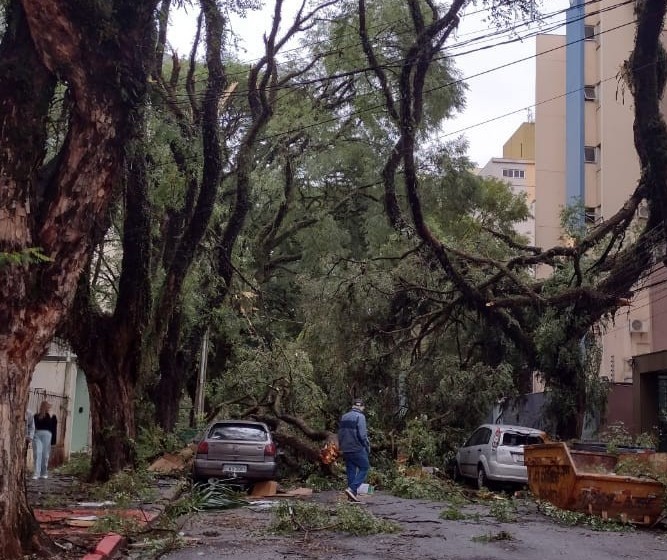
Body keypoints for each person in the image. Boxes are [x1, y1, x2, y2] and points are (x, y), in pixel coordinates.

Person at [337, 398, 370, 503]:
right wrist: (366, 446)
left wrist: (341, 446)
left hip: (345, 448)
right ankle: (352, 488)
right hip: (357, 448)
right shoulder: (360, 417)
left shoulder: (344, 417)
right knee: (364, 467)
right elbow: (362, 435)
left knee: (351, 470)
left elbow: (340, 433)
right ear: (361, 407)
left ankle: (351, 496)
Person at [32, 400, 57, 480]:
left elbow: (53, 429)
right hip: (38, 435)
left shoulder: (52, 416)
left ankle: (43, 472)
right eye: (49, 407)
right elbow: (33, 427)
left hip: (47, 435)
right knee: (38, 453)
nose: (50, 408)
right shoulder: (36, 416)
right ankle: (37, 473)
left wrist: (53, 442)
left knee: (45, 454)